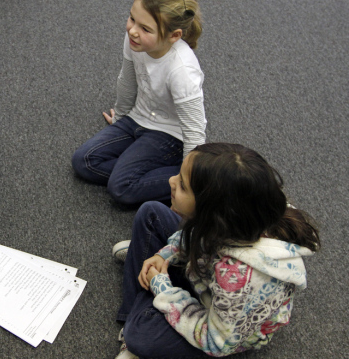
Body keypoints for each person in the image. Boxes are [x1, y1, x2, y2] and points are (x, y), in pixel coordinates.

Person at [112, 143, 320, 359]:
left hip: (222, 330)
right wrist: (164, 254)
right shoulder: (243, 210)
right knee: (151, 213)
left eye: (182, 185)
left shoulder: (239, 276)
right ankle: (139, 309)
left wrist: (161, 287)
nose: (171, 181)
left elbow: (216, 341)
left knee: (140, 335)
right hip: (210, 271)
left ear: (210, 212)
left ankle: (133, 331)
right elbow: (196, 235)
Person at [72, 0, 206, 205]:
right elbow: (127, 80)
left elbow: (194, 132)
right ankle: (137, 172)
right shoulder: (136, 40)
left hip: (169, 136)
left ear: (174, 36)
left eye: (144, 28)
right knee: (82, 161)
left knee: (120, 188)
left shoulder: (182, 70)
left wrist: (187, 183)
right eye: (132, 19)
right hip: (136, 119)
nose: (132, 30)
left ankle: (202, 182)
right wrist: (121, 118)